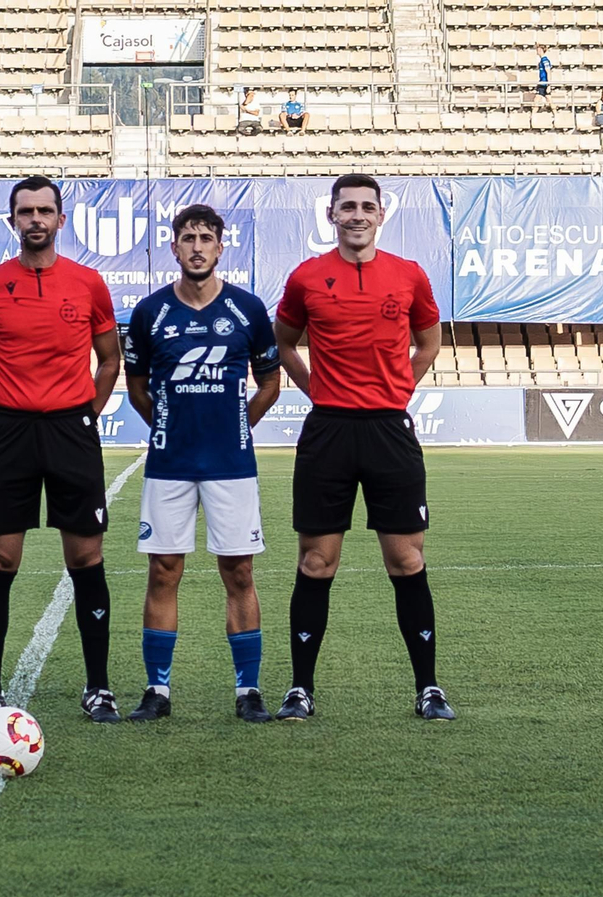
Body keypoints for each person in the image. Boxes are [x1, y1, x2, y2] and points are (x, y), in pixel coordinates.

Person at [271, 174, 456, 723]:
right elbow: (283, 341)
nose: (356, 215)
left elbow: (429, 341)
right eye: (346, 206)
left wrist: (401, 387)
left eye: (366, 207)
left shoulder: (409, 275)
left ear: (381, 215)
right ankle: (301, 688)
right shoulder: (306, 277)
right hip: (328, 431)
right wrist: (316, 390)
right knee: (316, 560)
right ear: (331, 215)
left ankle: (428, 687)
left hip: (388, 430)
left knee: (406, 559)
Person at [0, 175, 123, 724]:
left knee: (86, 558)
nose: (35, 219)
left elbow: (109, 359)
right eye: (25, 211)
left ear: (59, 219)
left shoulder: (88, 283)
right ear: (12, 221)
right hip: (10, 433)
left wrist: (85, 414)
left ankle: (98, 686)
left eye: (44, 211)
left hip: (71, 432)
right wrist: (0, 419)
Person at [123, 204, 282, 724]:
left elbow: (271, 382)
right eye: (186, 237)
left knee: (238, 572)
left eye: (205, 238)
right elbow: (138, 388)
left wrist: (238, 424)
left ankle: (248, 690)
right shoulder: (150, 313)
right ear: (174, 247)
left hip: (231, 465)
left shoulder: (248, 309)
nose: (196, 246)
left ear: (220, 246)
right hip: (170, 464)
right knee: (163, 571)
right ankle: (157, 690)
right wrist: (167, 425)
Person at [535, 45, 556, 110]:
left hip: (544, 84)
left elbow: (548, 72)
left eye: (538, 49)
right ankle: (532, 117)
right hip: (542, 83)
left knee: (537, 101)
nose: (536, 51)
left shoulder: (545, 60)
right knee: (539, 100)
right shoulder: (541, 61)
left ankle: (532, 117)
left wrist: (549, 85)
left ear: (541, 50)